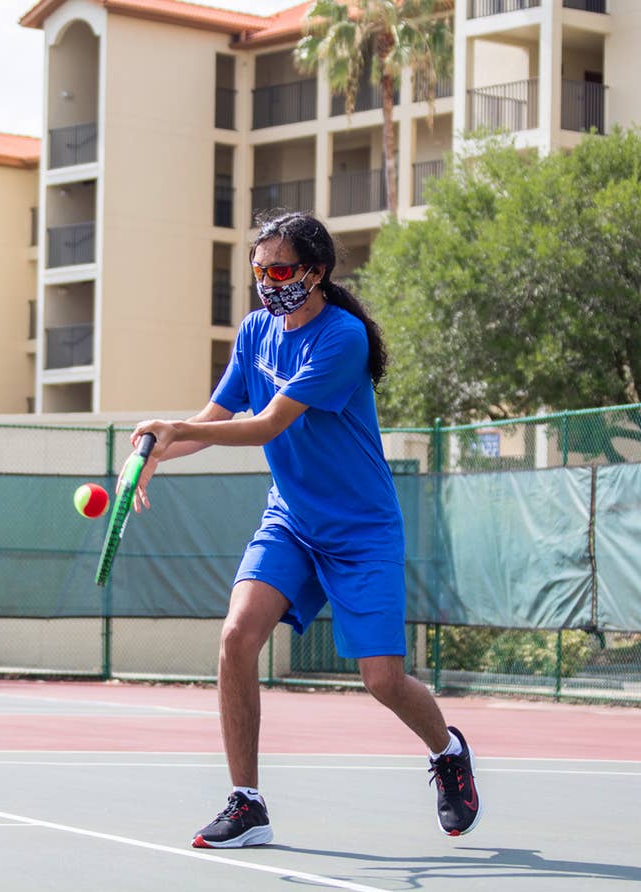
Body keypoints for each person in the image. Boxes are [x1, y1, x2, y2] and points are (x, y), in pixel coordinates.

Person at [128, 211, 480, 849]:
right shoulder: (255, 331)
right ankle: (247, 803)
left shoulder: (341, 339)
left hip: (361, 533)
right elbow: (217, 413)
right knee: (237, 635)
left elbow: (264, 425)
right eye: (259, 270)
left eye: (282, 270)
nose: (267, 282)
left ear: (317, 273)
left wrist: (177, 431)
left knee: (382, 680)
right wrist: (156, 452)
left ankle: (448, 749)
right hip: (289, 520)